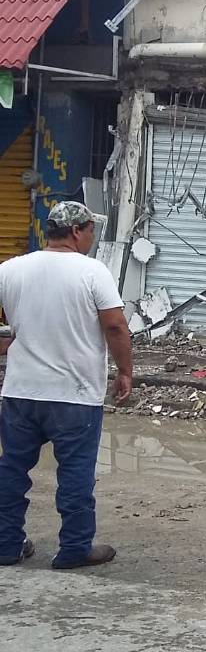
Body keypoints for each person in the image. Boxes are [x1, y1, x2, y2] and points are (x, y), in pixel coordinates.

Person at [0, 201, 133, 569]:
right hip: (73, 395)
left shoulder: (10, 270)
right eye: (90, 230)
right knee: (74, 473)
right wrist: (125, 370)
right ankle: (74, 549)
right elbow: (116, 326)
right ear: (78, 230)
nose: (91, 237)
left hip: (21, 391)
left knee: (12, 469)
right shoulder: (92, 272)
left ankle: (5, 545)